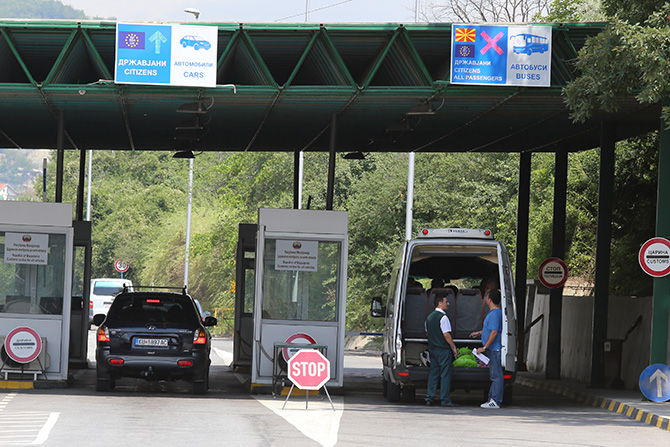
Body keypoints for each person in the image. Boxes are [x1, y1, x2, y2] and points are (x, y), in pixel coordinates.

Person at [470, 289, 503, 409]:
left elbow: (494, 333)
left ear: (489, 299)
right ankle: (491, 399)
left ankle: (495, 400)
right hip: (492, 349)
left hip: (494, 349)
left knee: (496, 376)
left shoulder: (495, 314)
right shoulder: (495, 313)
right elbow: (491, 329)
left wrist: (484, 347)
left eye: (486, 297)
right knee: (494, 375)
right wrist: (480, 333)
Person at [424, 293, 459, 407]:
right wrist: (453, 347)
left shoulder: (429, 317)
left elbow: (427, 333)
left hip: (433, 349)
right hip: (443, 350)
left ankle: (429, 397)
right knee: (445, 374)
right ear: (440, 303)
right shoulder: (443, 318)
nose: (448, 304)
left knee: (434, 373)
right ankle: (445, 399)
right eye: (446, 302)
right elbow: (446, 334)